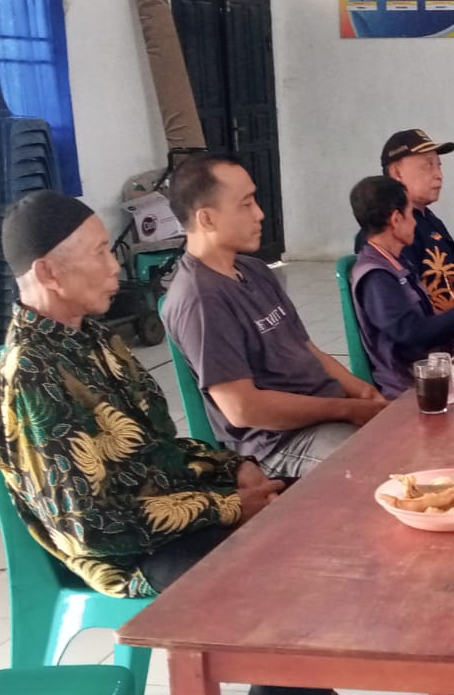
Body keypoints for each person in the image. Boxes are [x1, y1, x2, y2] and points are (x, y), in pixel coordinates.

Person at [0, 191, 388, 695]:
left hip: (173, 509)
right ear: (48, 272)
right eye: (99, 254)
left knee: (324, 521)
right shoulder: (29, 379)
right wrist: (227, 507)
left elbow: (158, 448)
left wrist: (235, 467)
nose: (116, 267)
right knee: (292, 564)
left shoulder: (93, 341)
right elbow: (95, 525)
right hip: (127, 550)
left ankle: (305, 691)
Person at [162, 154, 387, 479]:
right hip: (279, 443)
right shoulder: (199, 298)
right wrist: (348, 409)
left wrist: (364, 393)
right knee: (383, 467)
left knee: (413, 434)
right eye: (246, 204)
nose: (260, 214)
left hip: (327, 413)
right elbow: (243, 408)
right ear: (207, 219)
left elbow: (307, 349)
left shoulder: (254, 270)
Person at [350, 175, 454, 398]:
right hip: (414, 386)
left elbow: (427, 321)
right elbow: (414, 335)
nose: (415, 222)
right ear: (396, 219)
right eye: (410, 214)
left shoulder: (397, 261)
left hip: (436, 365)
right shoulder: (377, 276)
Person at [353, 128, 454, 313]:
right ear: (397, 173)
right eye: (428, 165)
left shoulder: (428, 218)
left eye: (439, 166)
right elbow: (415, 312)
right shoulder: (390, 232)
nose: (439, 174)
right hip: (452, 328)